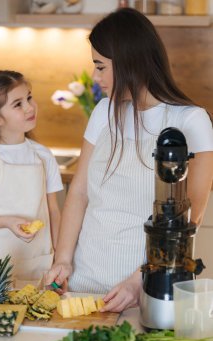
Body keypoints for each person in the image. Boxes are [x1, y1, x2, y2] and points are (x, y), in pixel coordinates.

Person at [45, 8, 213, 312]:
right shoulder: (103, 112)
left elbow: (189, 219)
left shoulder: (191, 121)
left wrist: (140, 279)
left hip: (149, 289)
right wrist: (63, 260)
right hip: (84, 284)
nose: (96, 78)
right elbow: (80, 194)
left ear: (129, 62)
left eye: (100, 67)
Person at [0, 70, 63, 283]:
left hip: (40, 267)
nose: (29, 107)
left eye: (29, 98)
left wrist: (60, 259)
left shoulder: (43, 156)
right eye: (18, 104)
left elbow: (53, 211)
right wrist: (6, 221)